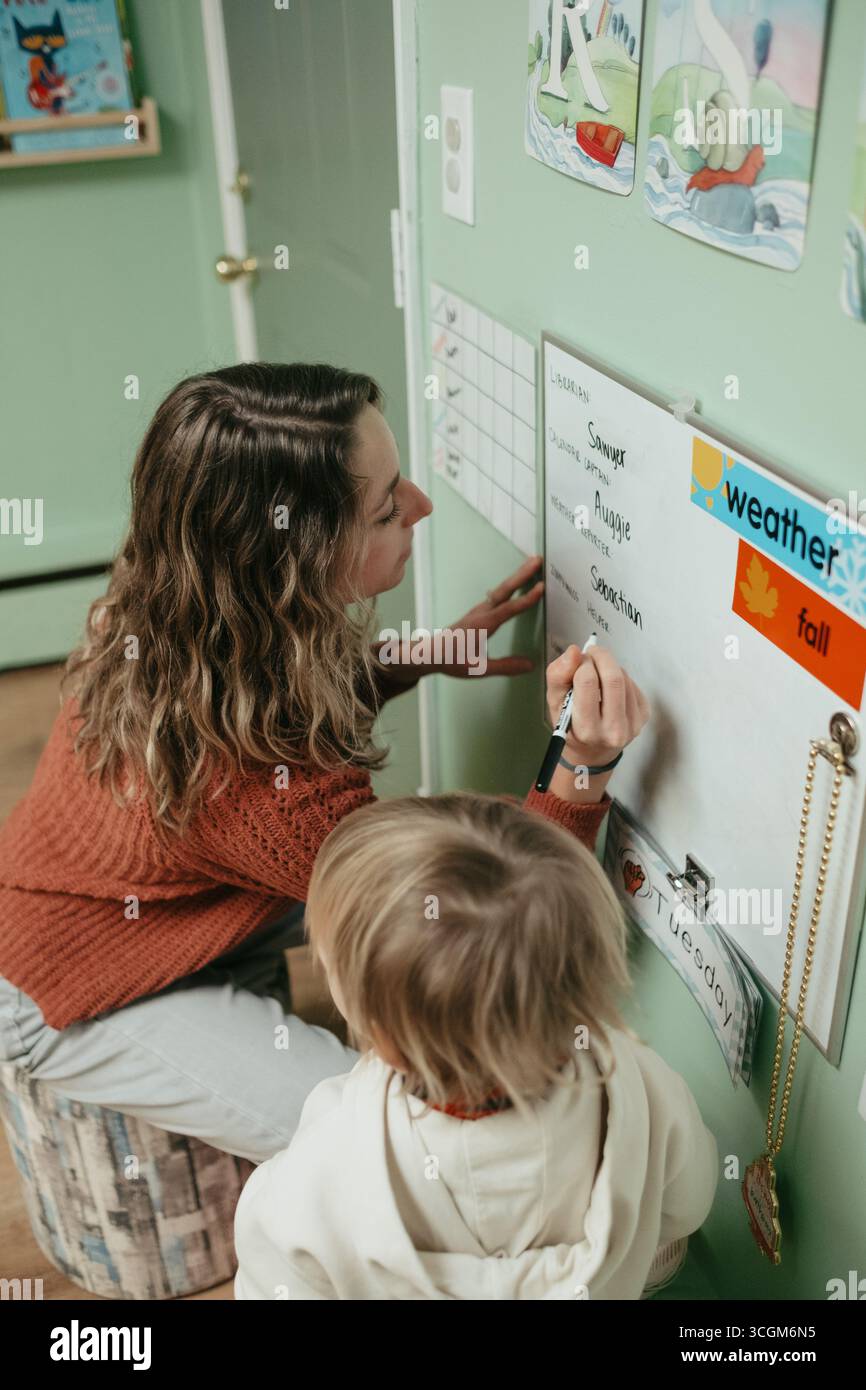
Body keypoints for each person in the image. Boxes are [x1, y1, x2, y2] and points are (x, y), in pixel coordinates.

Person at [0, 361, 624, 1166]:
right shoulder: (263, 796)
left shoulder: (183, 599)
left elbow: (270, 703)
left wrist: (412, 660)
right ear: (292, 557)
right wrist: (581, 764)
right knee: (393, 1146)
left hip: (133, 898)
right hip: (78, 988)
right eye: (385, 507)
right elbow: (484, 918)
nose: (421, 507)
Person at [233, 766, 718, 1301]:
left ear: (383, 1036)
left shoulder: (331, 1157)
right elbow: (687, 1204)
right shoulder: (638, 1086)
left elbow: (272, 1281)